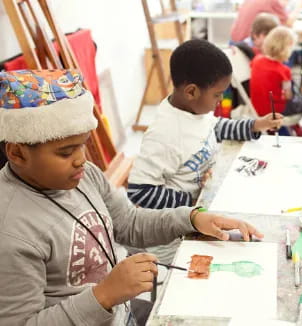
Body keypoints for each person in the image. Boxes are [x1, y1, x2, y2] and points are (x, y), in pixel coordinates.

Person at [0, 69, 263, 326]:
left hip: (119, 310)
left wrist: (192, 218)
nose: (82, 159)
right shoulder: (11, 232)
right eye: (66, 152)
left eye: (82, 144)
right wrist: (104, 295)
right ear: (17, 153)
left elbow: (128, 223)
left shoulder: (85, 175)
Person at [127, 40, 281, 262]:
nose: (220, 101)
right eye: (218, 95)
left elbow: (216, 127)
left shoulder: (196, 111)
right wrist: (194, 198)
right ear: (192, 91)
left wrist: (255, 125)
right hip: (173, 240)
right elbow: (140, 191)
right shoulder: (165, 134)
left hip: (200, 210)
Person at [250, 26, 302, 135]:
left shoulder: (257, 60)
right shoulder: (283, 70)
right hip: (275, 111)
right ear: (286, 49)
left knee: (292, 104)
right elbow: (288, 95)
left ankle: (296, 130)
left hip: (256, 108)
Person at [230, 0, 300, 43]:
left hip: (234, 43)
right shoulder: (272, 1)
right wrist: (301, 4)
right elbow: (289, 23)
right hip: (248, 46)